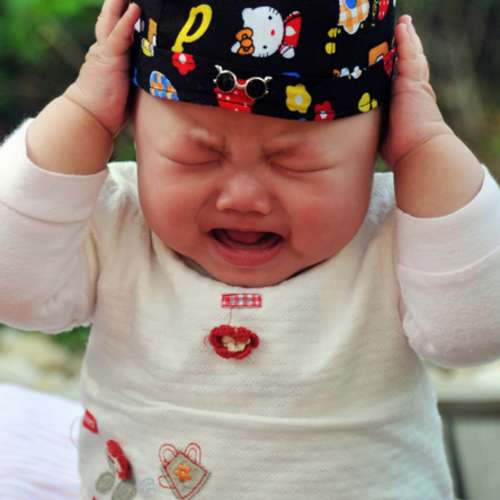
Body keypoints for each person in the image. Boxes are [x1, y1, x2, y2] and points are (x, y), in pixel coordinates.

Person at [0, 0, 499, 498]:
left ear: (378, 146)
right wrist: (84, 114)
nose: (242, 198)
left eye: (296, 163)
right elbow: (14, 289)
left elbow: (477, 333)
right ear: (133, 127)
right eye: (196, 155)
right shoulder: (119, 221)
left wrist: (424, 147)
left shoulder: (398, 236)